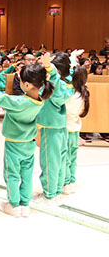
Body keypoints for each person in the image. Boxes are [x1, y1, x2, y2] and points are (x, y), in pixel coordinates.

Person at [0, 62, 53, 217]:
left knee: (12, 174)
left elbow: (1, 98)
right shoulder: (42, 99)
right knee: (27, 174)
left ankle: (13, 205)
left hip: (14, 144)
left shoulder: (19, 102)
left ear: (27, 85)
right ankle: (25, 204)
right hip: (29, 143)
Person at [35, 52, 73, 204]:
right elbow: (69, 74)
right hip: (61, 126)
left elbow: (55, 78)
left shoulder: (55, 85)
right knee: (60, 160)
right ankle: (57, 190)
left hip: (50, 127)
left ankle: (49, 194)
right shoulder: (67, 85)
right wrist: (72, 59)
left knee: (50, 162)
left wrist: (49, 67)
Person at [63, 67, 89, 195]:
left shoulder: (71, 94)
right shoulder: (83, 92)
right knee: (73, 157)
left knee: (66, 158)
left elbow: (64, 108)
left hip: (67, 127)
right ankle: (72, 180)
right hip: (76, 127)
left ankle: (67, 183)